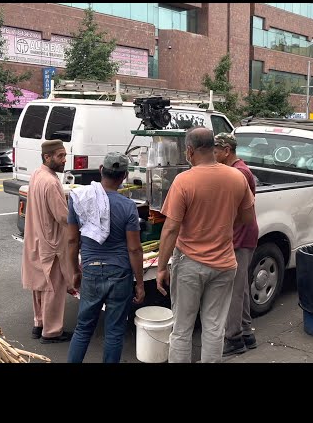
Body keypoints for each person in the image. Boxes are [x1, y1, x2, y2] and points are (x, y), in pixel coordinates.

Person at [156, 127, 255, 363]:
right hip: (224, 263)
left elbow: (171, 229)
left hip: (190, 263)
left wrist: (161, 267)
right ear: (213, 147)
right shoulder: (236, 177)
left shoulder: (184, 181)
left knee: (182, 328)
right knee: (214, 327)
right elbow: (247, 218)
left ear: (189, 150)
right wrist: (223, 223)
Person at [67, 152, 145, 363]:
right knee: (114, 332)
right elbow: (135, 249)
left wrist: (74, 271)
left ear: (101, 169)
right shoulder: (128, 206)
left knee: (83, 328)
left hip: (91, 270)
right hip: (120, 273)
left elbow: (73, 241)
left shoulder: (79, 199)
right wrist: (140, 283)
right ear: (125, 175)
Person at [21, 139, 75, 344]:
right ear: (47, 157)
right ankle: (52, 332)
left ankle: (40, 323)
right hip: (50, 242)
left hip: (35, 238)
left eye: (64, 155)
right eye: (60, 156)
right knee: (54, 287)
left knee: (40, 285)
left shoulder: (37, 174)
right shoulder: (51, 182)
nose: (64, 160)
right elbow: (63, 216)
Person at [213, 132, 259, 356]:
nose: (213, 154)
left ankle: (233, 339)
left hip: (241, 235)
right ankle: (247, 333)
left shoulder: (239, 173)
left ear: (226, 151)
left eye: (216, 150)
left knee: (233, 290)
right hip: (242, 234)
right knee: (240, 288)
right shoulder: (237, 170)